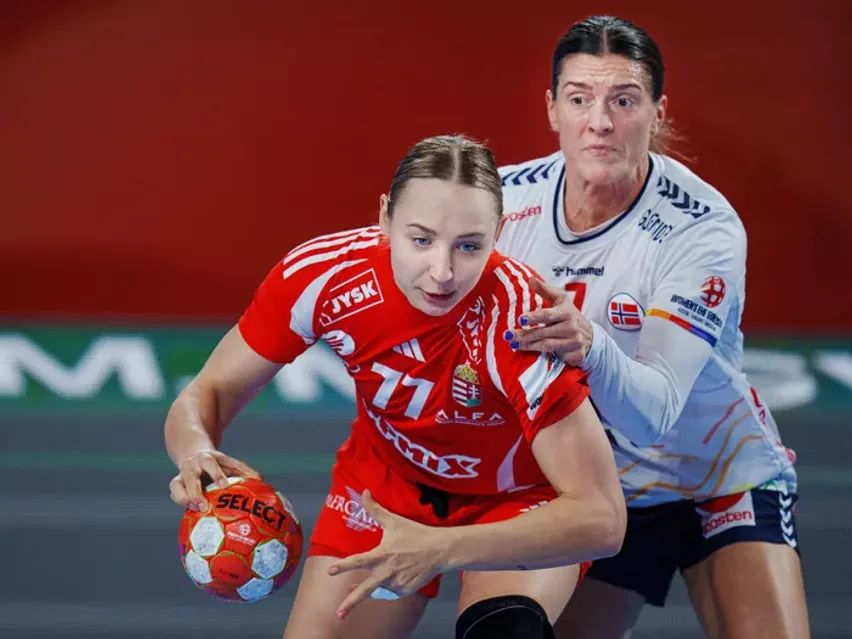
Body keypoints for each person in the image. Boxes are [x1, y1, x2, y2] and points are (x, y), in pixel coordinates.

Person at [164, 134, 626, 639]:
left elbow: (602, 517)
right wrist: (195, 451)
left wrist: (441, 547)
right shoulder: (324, 277)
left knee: (506, 632)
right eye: (421, 240)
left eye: (469, 246)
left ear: (499, 231)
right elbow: (207, 392)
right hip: (384, 489)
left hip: (514, 501)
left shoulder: (524, 322)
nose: (442, 273)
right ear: (385, 217)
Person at [495, 15, 810, 639]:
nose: (600, 122)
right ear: (552, 108)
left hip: (718, 475)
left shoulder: (702, 227)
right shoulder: (503, 201)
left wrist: (590, 344)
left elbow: (653, 413)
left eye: (624, 100)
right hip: (600, 487)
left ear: (657, 113)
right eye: (579, 99)